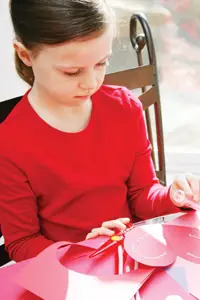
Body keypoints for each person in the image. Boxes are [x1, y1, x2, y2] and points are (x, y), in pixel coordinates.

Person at [0, 0, 199, 263]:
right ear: (25, 55)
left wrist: (175, 195)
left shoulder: (125, 108)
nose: (91, 83)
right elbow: (22, 243)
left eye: (101, 63)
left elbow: (142, 196)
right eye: (72, 72)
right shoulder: (10, 141)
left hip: (130, 260)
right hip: (66, 275)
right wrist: (82, 249)